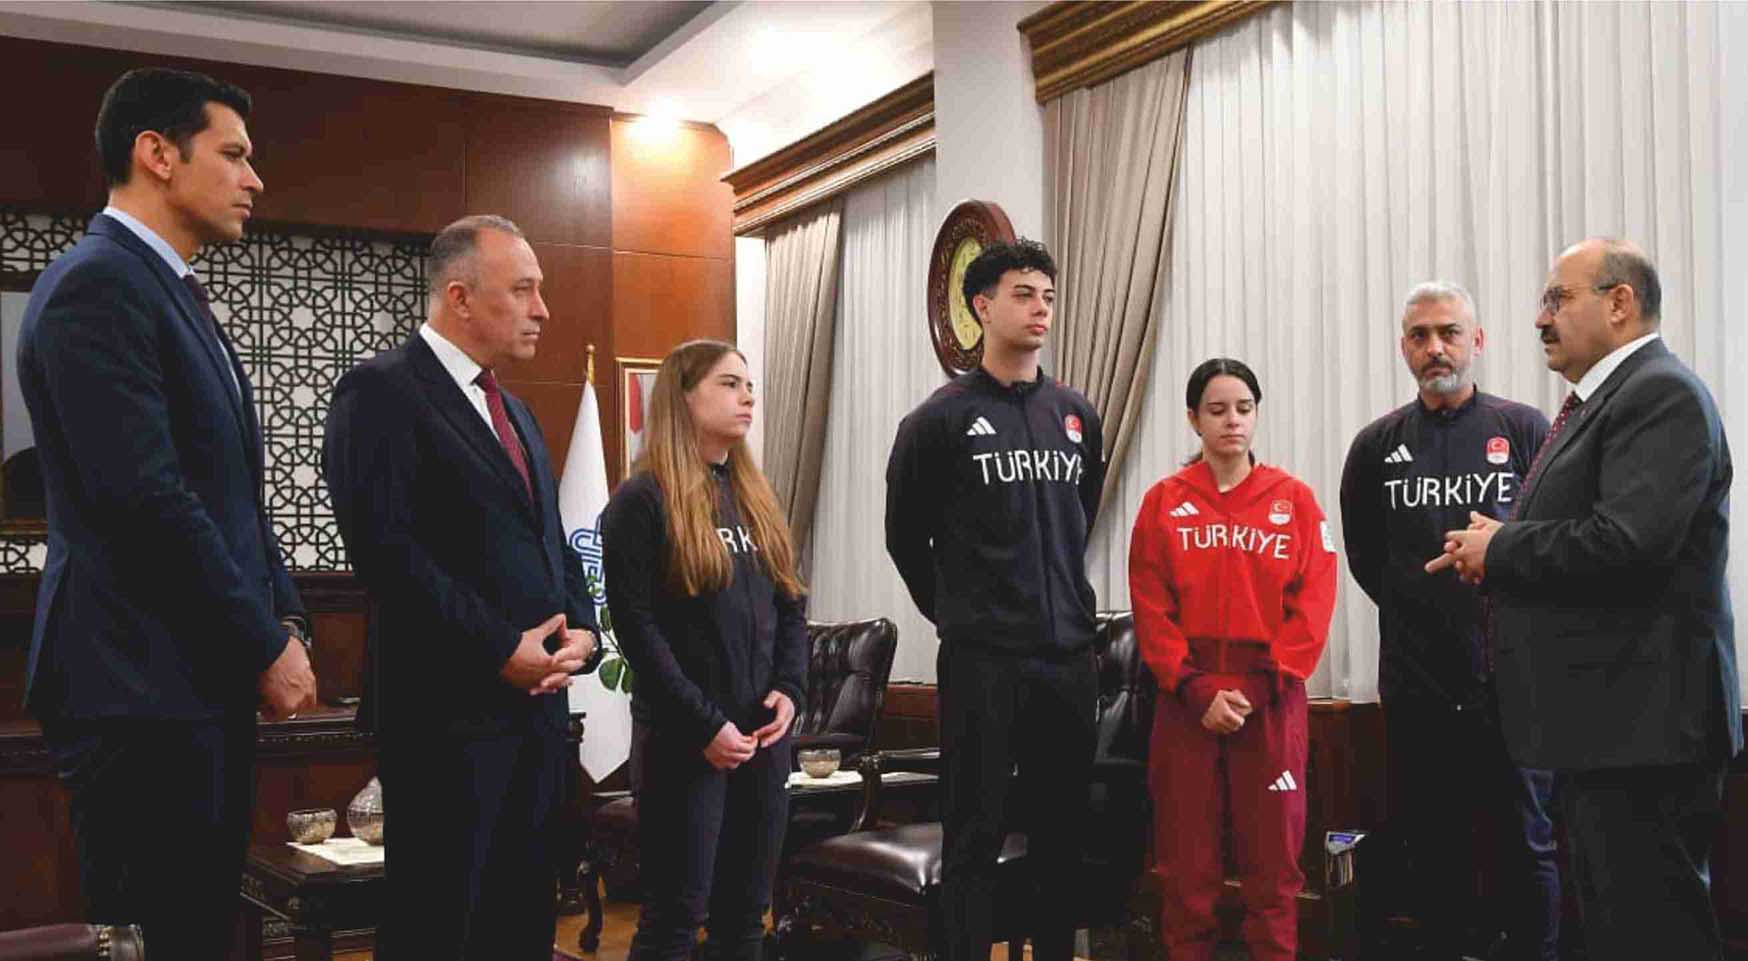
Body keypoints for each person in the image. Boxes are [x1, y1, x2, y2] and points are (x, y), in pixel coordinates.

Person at [15, 67, 316, 959]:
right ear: (156, 153)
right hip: (136, 686)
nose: (254, 178)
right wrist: (261, 643)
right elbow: (146, 500)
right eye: (234, 154)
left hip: (191, 682)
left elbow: (233, 495)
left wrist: (287, 620)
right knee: (159, 939)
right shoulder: (96, 285)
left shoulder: (171, 289)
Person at [1429, 238, 1742, 961]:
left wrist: (1501, 550)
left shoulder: (1659, 395)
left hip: (1647, 730)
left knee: (1655, 934)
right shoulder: (1606, 401)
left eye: (1558, 299)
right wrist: (1502, 544)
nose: (1540, 318)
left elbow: (1628, 542)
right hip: (1608, 729)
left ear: (1620, 303)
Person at [323, 214, 600, 961]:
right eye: (523, 289)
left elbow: (551, 541)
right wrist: (499, 647)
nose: (543, 309)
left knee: (522, 925)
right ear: (460, 297)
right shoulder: (380, 391)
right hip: (445, 718)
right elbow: (387, 553)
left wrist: (582, 628)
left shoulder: (517, 410)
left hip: (538, 718)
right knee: (439, 928)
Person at [885, 239, 1104, 961]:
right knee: (973, 836)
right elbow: (904, 537)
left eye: (1048, 296)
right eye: (1023, 294)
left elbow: (1082, 515)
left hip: (1067, 659)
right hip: (983, 662)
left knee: (1061, 836)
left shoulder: (1076, 414)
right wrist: (961, 613)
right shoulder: (937, 421)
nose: (1040, 308)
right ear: (982, 306)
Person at [1338, 282, 1558, 960]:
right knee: (1433, 844)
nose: (1436, 347)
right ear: (1404, 347)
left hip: (1510, 679)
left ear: (1477, 341)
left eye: (1450, 333)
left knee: (1527, 840)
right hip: (1418, 683)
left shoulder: (1524, 429)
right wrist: (1420, 605)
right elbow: (1366, 559)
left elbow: (1553, 541)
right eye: (1421, 335)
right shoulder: (1375, 445)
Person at [599, 339, 808, 961]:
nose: (748, 397)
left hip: (761, 740)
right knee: (674, 920)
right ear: (684, 397)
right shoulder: (642, 501)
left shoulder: (755, 496)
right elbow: (637, 631)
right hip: (685, 742)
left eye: (749, 385)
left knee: (746, 918)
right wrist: (704, 724)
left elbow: (791, 604)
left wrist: (790, 690)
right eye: (729, 384)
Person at [1128, 358, 1337, 961]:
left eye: (1244, 409)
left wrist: (1262, 687)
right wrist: (1195, 689)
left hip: (1269, 704)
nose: (1233, 421)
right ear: (1193, 419)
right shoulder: (1163, 503)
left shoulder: (1294, 500)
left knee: (1274, 871)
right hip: (1187, 705)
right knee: (1186, 871)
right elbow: (1151, 607)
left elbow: (1314, 604)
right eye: (1217, 410)